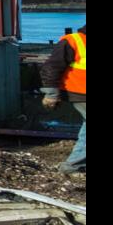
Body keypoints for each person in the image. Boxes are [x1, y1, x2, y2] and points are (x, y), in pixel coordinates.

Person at [40, 24, 86, 174]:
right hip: (79, 92)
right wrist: (52, 94)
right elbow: (51, 67)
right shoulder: (73, 41)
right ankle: (73, 166)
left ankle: (74, 165)